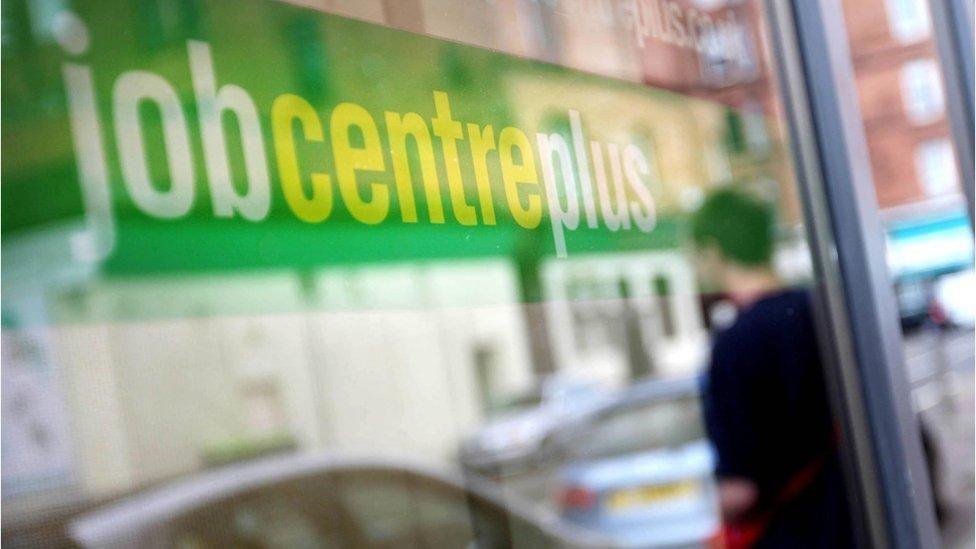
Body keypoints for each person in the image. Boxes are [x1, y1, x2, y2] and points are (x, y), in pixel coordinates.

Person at [691, 188, 855, 548]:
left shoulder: (735, 343)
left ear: (714, 252)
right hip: (856, 519)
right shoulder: (824, 310)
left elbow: (742, 490)